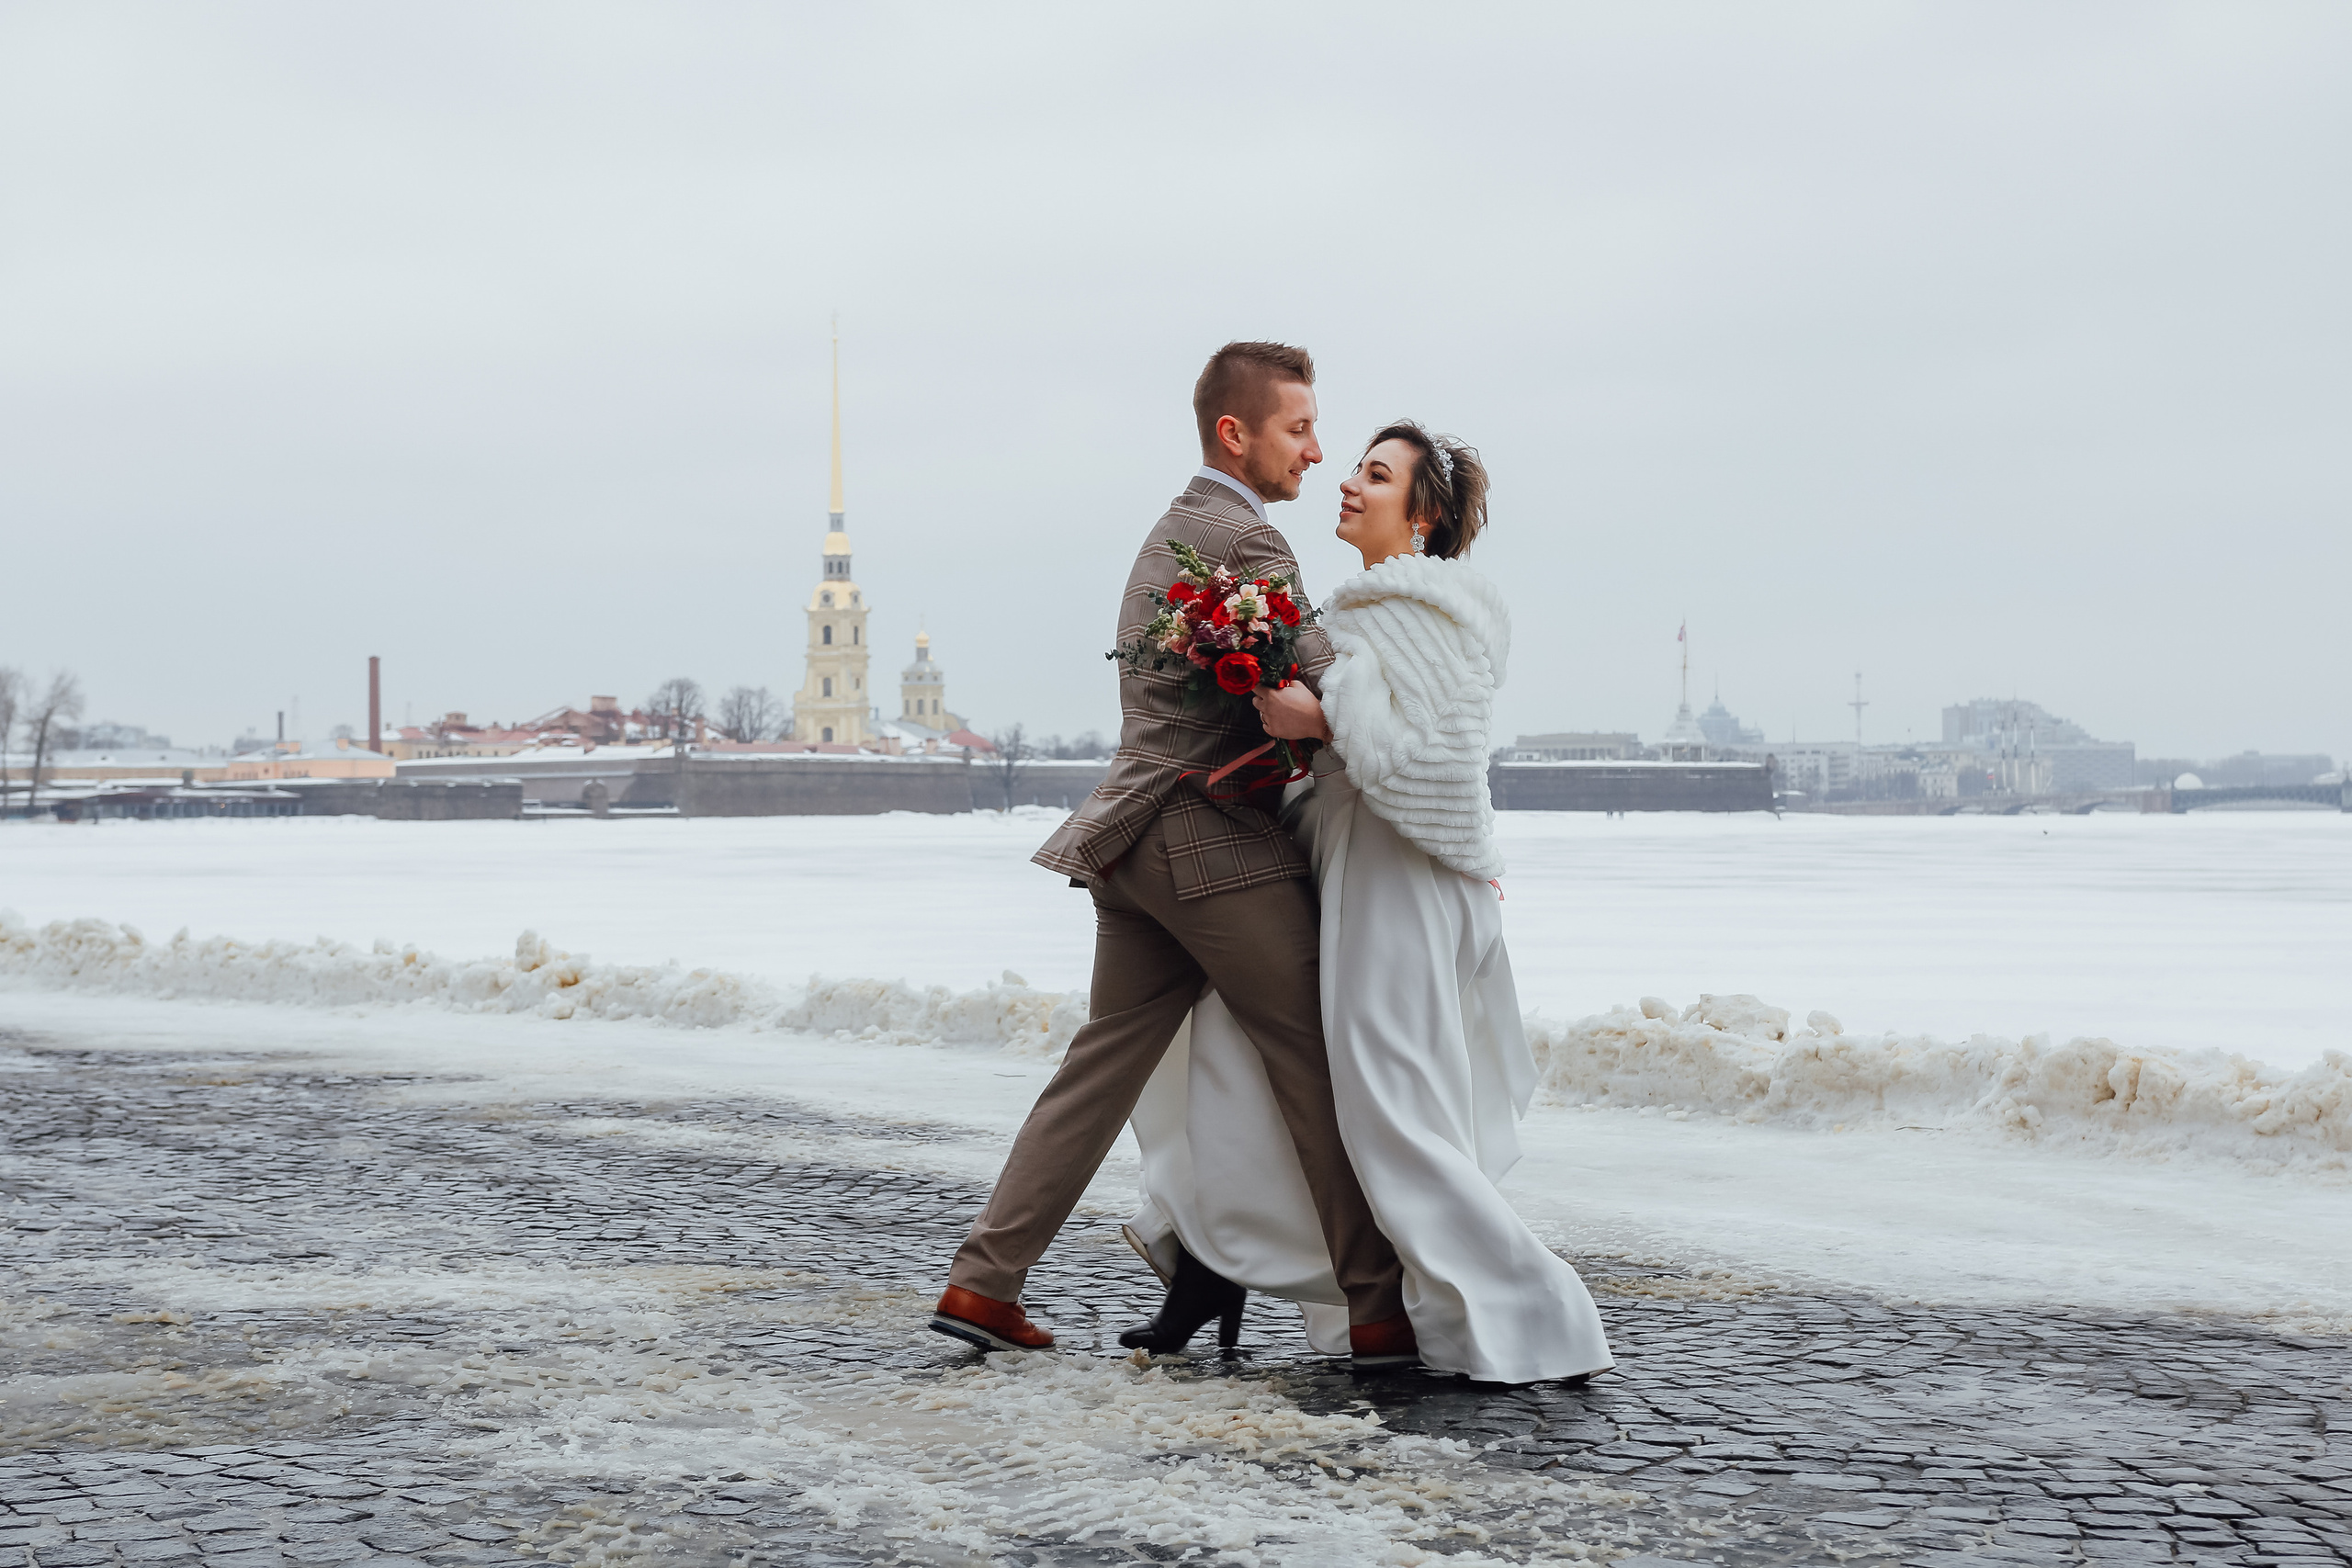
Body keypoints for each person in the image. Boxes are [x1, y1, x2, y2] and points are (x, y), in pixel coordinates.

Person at [927, 343, 1413, 1370]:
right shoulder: (1250, 542)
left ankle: (983, 1281)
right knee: (1316, 1064)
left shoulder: (1172, 531)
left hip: (1130, 837)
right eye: (1298, 429)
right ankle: (1378, 1309)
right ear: (1235, 433)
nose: (1317, 452)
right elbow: (1330, 696)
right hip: (1210, 845)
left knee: (1097, 1068)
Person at [1123, 421, 1615, 1384]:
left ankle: (1537, 1313)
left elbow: (1431, 764)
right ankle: (1217, 1260)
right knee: (1239, 1043)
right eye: (1352, 467)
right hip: (1356, 862)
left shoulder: (1434, 611)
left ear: (1422, 515)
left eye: (1376, 475)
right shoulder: (1365, 608)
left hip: (1402, 881)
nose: (1347, 483)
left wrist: (1320, 717)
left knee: (1393, 1110)